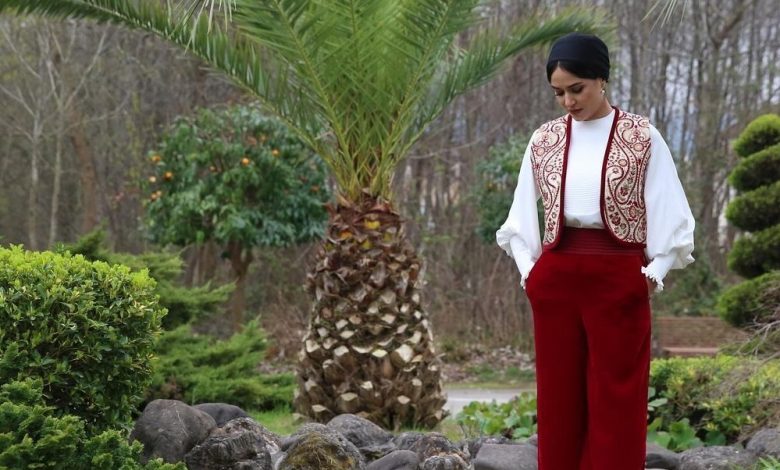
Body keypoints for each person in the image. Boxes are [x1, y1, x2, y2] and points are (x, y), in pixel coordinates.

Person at [496, 33, 695, 469]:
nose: (568, 101)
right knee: (559, 400)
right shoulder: (544, 139)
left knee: (617, 400)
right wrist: (531, 272)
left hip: (619, 277)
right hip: (557, 279)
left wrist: (655, 271)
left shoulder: (642, 136)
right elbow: (520, 214)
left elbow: (671, 210)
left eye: (577, 88)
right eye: (558, 93)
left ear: (602, 79)